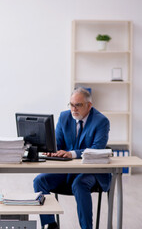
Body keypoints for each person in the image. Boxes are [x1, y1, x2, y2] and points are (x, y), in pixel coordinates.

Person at [33, 87, 110, 229]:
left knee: (79, 184)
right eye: (71, 104)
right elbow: (58, 143)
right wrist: (51, 150)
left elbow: (97, 149)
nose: (73, 109)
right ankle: (50, 224)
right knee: (39, 181)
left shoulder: (101, 121)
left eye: (78, 105)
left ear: (89, 105)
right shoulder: (64, 117)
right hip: (67, 170)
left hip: (91, 172)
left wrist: (72, 153)